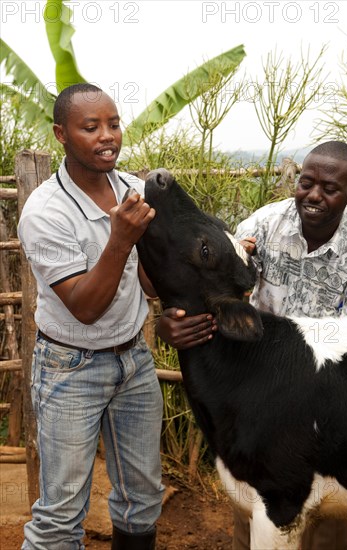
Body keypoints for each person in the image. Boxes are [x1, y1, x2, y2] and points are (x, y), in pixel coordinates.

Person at [157, 140, 347, 550]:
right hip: (258, 400)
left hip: (324, 414)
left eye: (330, 188)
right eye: (306, 182)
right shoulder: (265, 224)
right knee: (255, 515)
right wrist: (170, 324)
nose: (314, 195)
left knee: (325, 529)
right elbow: (220, 280)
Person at [18, 83, 164, 550]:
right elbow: (83, 308)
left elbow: (149, 282)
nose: (108, 136)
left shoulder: (133, 191)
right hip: (70, 368)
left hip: (134, 360)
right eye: (91, 127)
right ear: (61, 134)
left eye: (114, 124)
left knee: (142, 499)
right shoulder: (44, 212)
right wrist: (121, 240)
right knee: (60, 515)